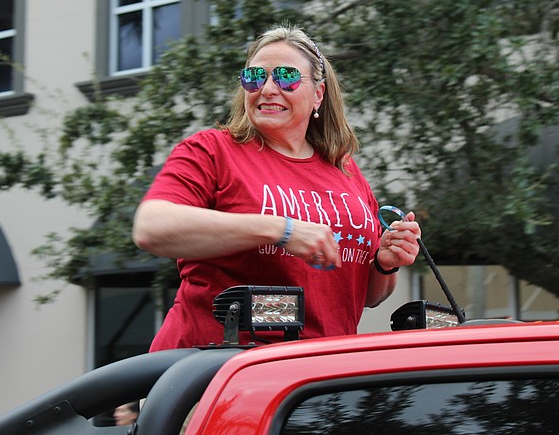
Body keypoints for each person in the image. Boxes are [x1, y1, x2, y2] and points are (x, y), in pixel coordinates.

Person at [133, 25, 421, 350]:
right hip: (217, 368)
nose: (268, 89)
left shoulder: (346, 170)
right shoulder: (213, 150)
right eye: (255, 77)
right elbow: (151, 227)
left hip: (316, 370)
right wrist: (280, 230)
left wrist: (385, 262)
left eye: (286, 77)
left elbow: (366, 296)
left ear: (318, 94)